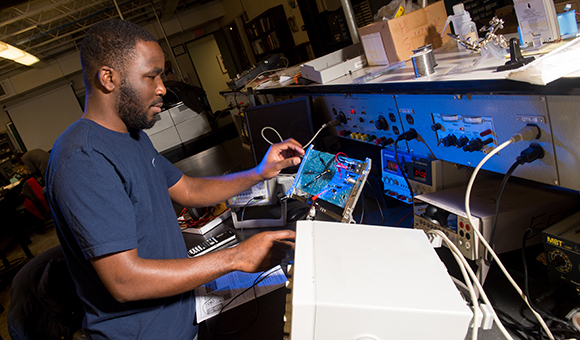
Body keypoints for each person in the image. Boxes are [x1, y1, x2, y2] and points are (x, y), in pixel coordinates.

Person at [45, 18, 304, 340]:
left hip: (185, 314)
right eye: (151, 76)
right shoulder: (83, 159)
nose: (162, 89)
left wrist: (260, 172)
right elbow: (125, 281)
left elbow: (188, 189)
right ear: (108, 78)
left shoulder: (133, 136)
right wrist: (237, 257)